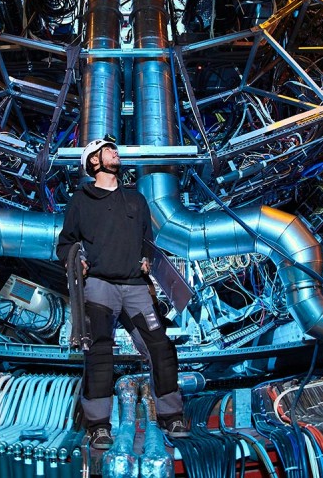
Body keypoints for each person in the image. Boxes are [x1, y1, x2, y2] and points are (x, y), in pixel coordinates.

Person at [56, 138, 189, 450]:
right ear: (94, 162)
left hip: (135, 288)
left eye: (116, 148)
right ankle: (98, 426)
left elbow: (147, 239)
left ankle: (172, 415)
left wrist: (146, 257)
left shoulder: (136, 199)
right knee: (100, 352)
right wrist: (77, 257)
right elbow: (65, 243)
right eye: (108, 150)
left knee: (161, 347)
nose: (116, 152)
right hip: (100, 286)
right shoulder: (81, 199)